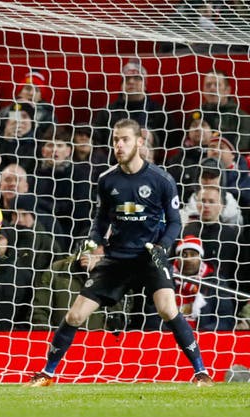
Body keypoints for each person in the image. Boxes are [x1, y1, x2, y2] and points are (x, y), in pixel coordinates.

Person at [26, 118, 214, 388]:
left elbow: (175, 222)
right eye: (116, 140)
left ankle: (201, 373)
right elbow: (101, 221)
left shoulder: (161, 180)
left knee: (167, 309)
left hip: (149, 257)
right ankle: (46, 373)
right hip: (117, 259)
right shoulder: (107, 180)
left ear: (139, 142)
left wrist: (163, 248)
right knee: (76, 315)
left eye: (125, 139)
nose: (119, 145)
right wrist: (93, 241)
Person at [92, 59, 177, 150]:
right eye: (127, 79)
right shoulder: (107, 112)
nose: (131, 82)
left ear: (145, 84)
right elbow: (97, 142)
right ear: (121, 85)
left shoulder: (159, 112)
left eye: (137, 78)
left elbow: (171, 144)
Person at [171, 235, 236, 331]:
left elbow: (226, 320)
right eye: (184, 255)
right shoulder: (165, 278)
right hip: (168, 336)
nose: (188, 259)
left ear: (201, 257)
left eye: (193, 254)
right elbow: (153, 318)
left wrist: (200, 334)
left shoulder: (216, 282)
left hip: (204, 338)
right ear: (177, 258)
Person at [196, 70, 250, 153]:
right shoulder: (197, 115)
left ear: (227, 90)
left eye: (217, 85)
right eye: (208, 85)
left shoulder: (242, 117)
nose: (212, 88)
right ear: (202, 90)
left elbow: (242, 146)